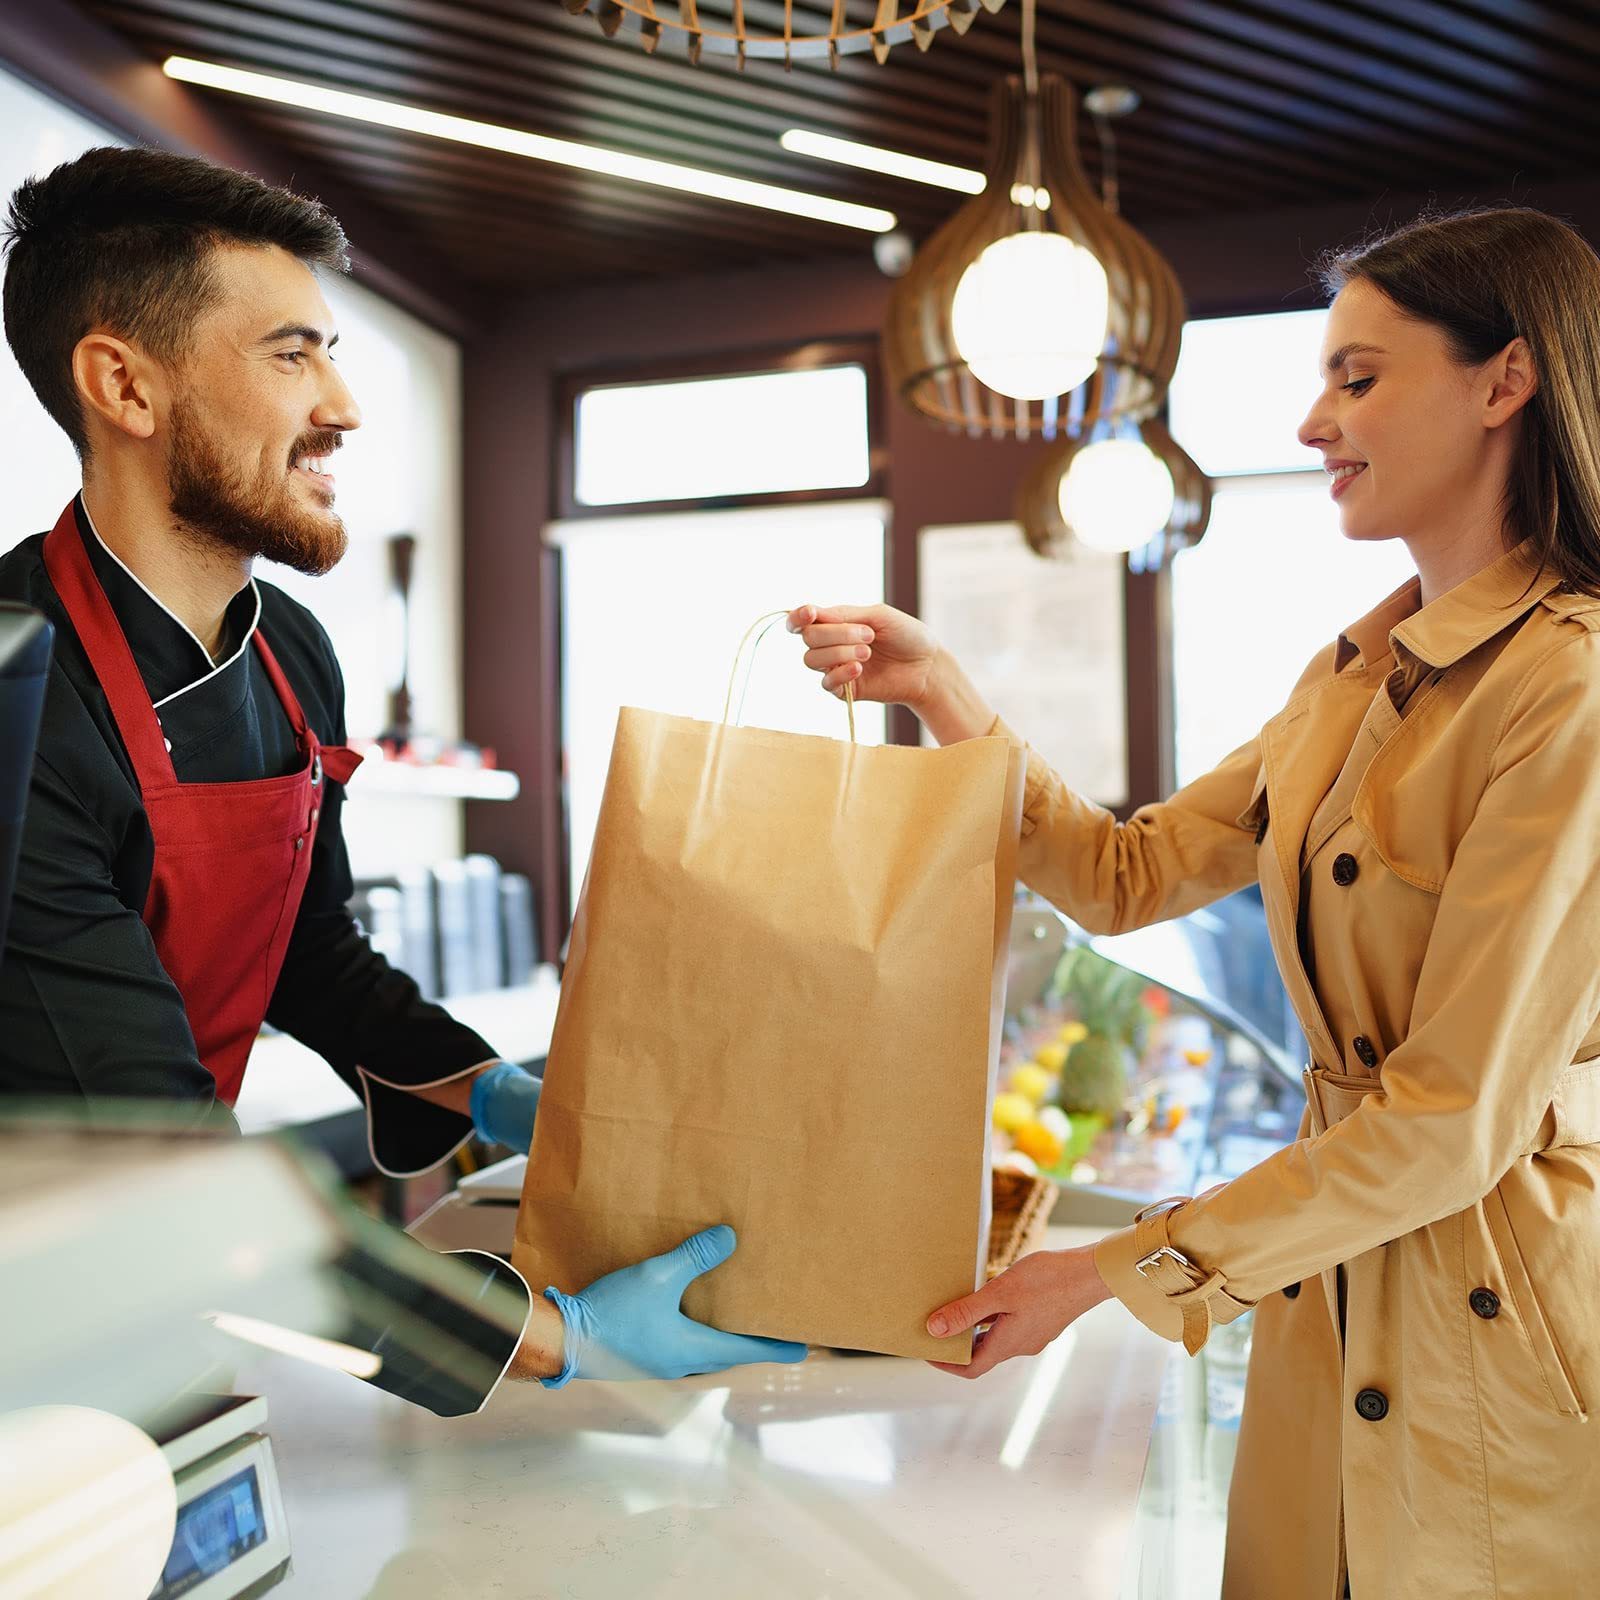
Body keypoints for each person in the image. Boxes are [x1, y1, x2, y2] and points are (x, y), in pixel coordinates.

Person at [790, 207, 1600, 1599]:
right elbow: (1128, 876)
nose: (1311, 423)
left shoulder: (1574, 687)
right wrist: (944, 695)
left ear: (1504, 382)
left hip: (1497, 1315)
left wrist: (1102, 1273)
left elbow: (1453, 1123)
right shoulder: (1349, 677)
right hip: (1319, 1291)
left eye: (1357, 378)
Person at [0, 146, 803, 1408]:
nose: (346, 405)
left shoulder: (291, 656)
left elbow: (309, 950)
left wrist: (483, 1082)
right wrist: (554, 1336)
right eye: (291, 354)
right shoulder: (20, 689)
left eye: (331, 350)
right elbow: (163, 1161)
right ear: (125, 385)